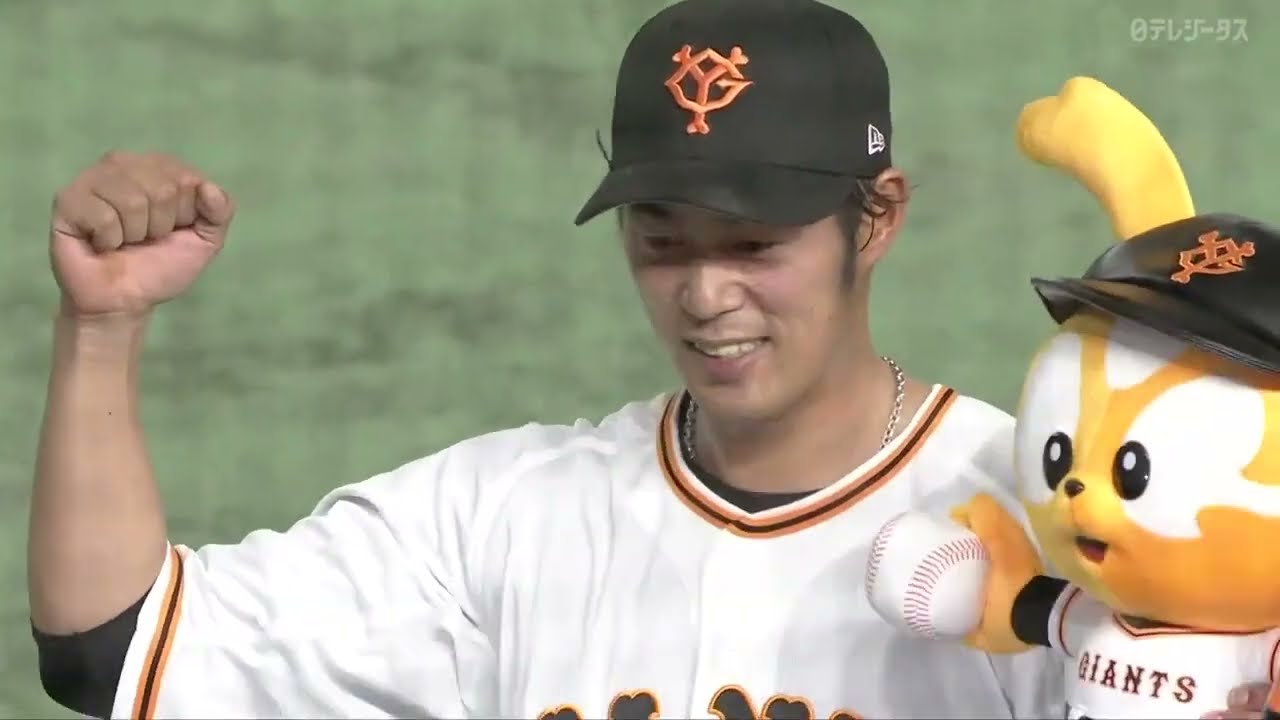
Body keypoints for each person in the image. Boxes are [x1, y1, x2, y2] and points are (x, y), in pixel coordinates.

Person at [25, 0, 1268, 718]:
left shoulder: (1043, 531)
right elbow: (113, 650)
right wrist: (103, 329)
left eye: (754, 243)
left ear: (876, 216)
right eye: (662, 239)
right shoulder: (503, 519)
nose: (704, 293)